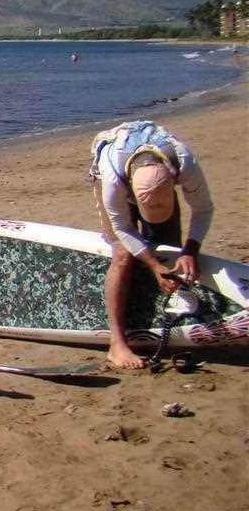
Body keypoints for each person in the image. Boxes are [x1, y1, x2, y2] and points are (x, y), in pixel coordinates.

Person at [89, 121, 213, 369]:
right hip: (114, 173)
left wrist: (190, 251)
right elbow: (123, 228)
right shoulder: (112, 176)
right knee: (123, 254)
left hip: (152, 174)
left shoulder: (183, 161)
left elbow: (203, 209)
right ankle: (117, 344)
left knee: (167, 247)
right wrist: (153, 265)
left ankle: (160, 318)